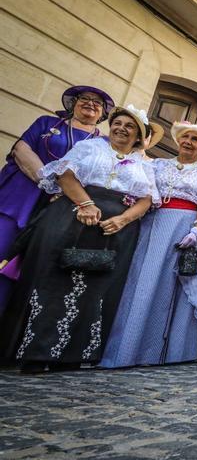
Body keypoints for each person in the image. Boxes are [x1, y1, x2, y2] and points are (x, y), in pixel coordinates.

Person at [0, 104, 159, 373]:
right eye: (117, 123)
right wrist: (85, 204)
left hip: (115, 230)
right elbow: (65, 174)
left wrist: (123, 219)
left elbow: (147, 199)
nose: (121, 128)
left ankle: (71, 356)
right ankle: (36, 355)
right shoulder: (91, 147)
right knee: (53, 280)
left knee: (96, 289)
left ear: (139, 137)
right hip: (73, 216)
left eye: (129, 126)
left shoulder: (144, 164)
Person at [100, 122, 197, 368]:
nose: (189, 142)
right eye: (186, 137)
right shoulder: (157, 164)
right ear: (178, 140)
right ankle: (129, 350)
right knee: (143, 280)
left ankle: (170, 352)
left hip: (186, 225)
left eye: (196, 139)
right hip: (153, 222)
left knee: (177, 286)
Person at [0, 85, 116, 316]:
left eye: (98, 102)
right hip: (22, 194)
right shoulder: (47, 123)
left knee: (30, 266)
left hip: (60, 206)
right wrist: (48, 180)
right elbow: (21, 150)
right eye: (85, 98)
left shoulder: (103, 144)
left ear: (103, 113)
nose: (91, 103)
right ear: (73, 103)